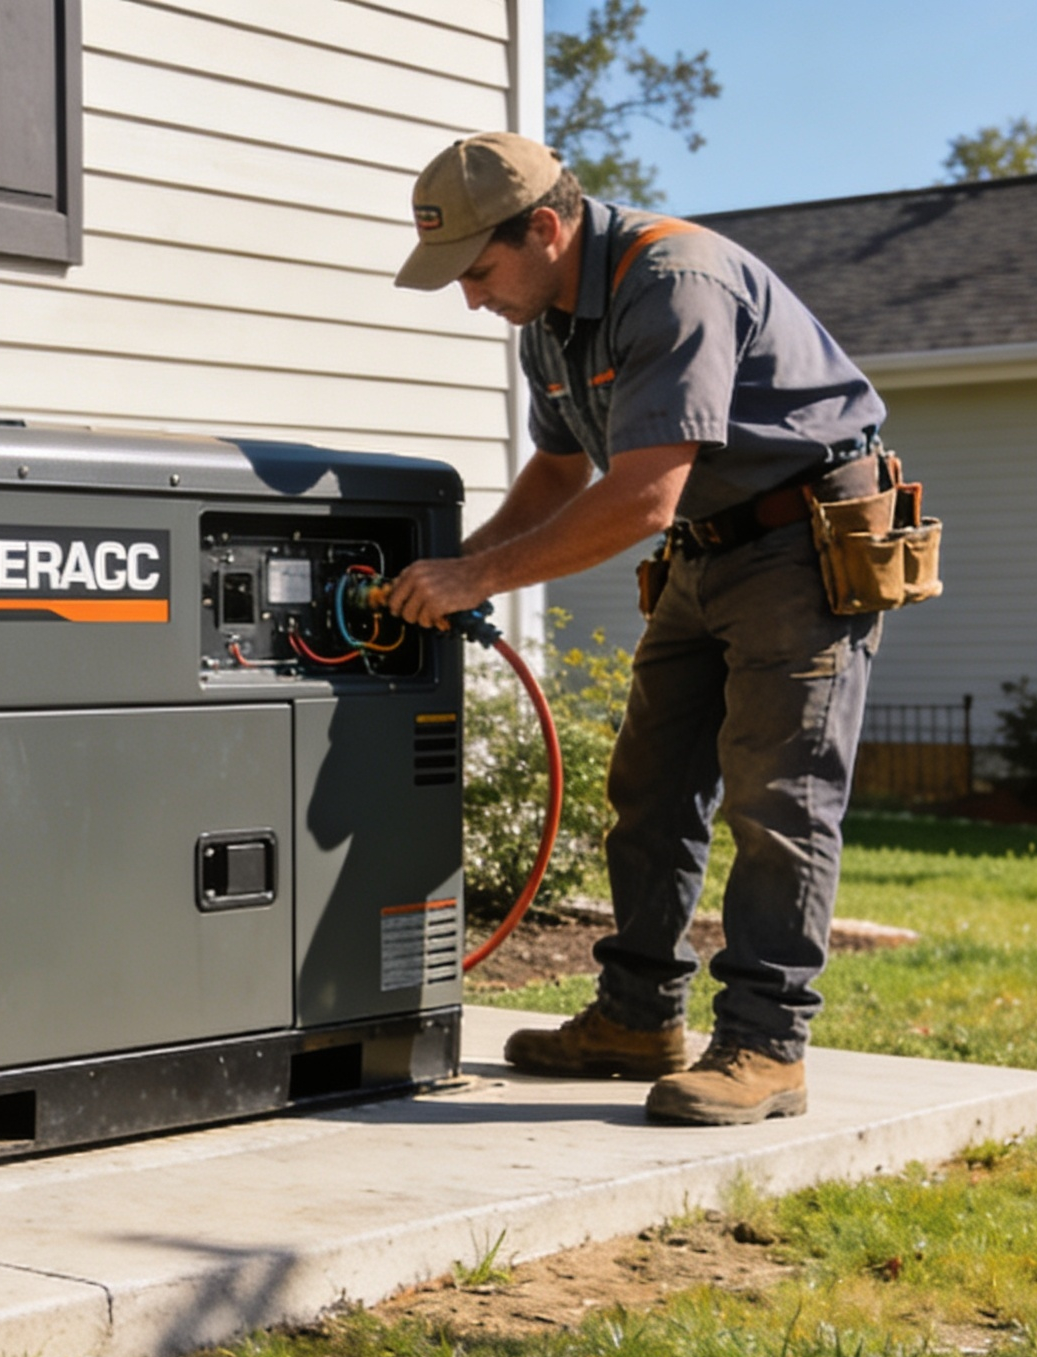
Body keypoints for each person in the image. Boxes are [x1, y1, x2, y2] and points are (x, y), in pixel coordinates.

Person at [378, 131, 889, 1126]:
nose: (471, 298)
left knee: (777, 799)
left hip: (801, 541)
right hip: (706, 548)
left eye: (477, 270)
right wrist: (451, 573)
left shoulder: (673, 282)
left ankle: (766, 1046)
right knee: (649, 788)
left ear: (545, 228)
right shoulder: (548, 319)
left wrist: (473, 577)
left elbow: (643, 497)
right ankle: (636, 1017)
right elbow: (559, 473)